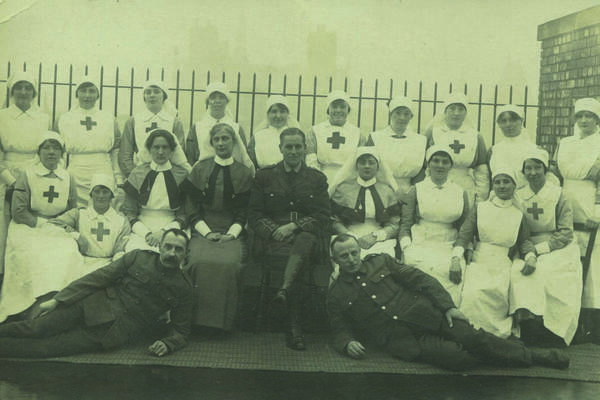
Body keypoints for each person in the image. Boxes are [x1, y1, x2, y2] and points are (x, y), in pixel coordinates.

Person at [327, 234, 569, 371]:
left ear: (359, 251)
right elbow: (337, 328)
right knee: (458, 359)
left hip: (429, 314)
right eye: (343, 256)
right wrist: (347, 343)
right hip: (403, 339)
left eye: (353, 253)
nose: (350, 259)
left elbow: (423, 280)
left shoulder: (381, 261)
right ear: (334, 259)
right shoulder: (336, 294)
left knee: (474, 338)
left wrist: (448, 307)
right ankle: (512, 354)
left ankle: (537, 356)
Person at [0, 229, 193, 359]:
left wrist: (168, 344)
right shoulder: (138, 257)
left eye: (178, 249)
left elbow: (182, 331)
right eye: (168, 246)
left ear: (186, 254)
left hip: (112, 332)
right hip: (92, 306)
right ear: (160, 247)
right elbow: (98, 277)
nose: (171, 253)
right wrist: (59, 299)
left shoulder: (184, 288)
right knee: (36, 328)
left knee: (46, 349)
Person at [248, 127, 330, 350]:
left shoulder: (317, 178)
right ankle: (294, 326)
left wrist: (294, 227)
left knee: (304, 242)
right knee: (300, 254)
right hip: (272, 238)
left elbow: (323, 216)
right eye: (289, 147)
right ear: (280, 149)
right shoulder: (264, 176)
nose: (293, 151)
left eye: (298, 147)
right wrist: (275, 230)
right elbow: (254, 214)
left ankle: (286, 297)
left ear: (305, 149)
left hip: (305, 235)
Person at [0, 132, 81, 323]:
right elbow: (18, 211)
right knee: (30, 254)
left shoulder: (68, 177)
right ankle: (27, 308)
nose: (51, 152)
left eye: (56, 148)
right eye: (46, 147)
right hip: (27, 226)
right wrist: (41, 224)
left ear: (62, 153)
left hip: (57, 227)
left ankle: (58, 305)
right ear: (39, 151)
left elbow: (73, 210)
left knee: (69, 252)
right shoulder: (27, 174)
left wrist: (59, 225)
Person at [181, 123, 254, 332]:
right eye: (217, 139)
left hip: (232, 233)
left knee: (230, 265)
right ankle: (195, 323)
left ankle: (222, 325)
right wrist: (206, 232)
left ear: (234, 142)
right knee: (196, 261)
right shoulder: (200, 169)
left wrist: (231, 235)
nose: (221, 143)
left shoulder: (244, 173)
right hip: (202, 230)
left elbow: (244, 210)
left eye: (226, 139)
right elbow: (191, 206)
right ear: (211, 143)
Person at [510, 148, 582, 347]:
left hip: (558, 246)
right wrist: (529, 251)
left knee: (549, 273)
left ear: (545, 168)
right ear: (523, 171)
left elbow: (566, 232)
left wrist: (540, 250)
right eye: (528, 168)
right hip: (527, 244)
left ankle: (553, 331)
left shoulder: (559, 194)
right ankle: (528, 326)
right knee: (519, 272)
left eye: (537, 167)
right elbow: (518, 228)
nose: (532, 172)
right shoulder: (518, 195)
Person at [452, 167, 535, 339]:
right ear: (492, 185)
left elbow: (524, 241)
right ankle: (469, 336)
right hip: (479, 261)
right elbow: (464, 235)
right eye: (497, 182)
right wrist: (456, 257)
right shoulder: (480, 208)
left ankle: (495, 338)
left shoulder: (518, 214)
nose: (502, 186)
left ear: (514, 186)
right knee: (472, 295)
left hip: (503, 264)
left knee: (498, 296)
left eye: (506, 182)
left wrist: (531, 257)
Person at [553, 97, 600, 343]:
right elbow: (564, 170)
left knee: (595, 268)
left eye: (589, 116)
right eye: (580, 116)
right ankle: (574, 322)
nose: (584, 120)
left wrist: (597, 213)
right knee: (572, 262)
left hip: (592, 208)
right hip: (570, 204)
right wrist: (588, 169)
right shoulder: (566, 142)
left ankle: (594, 325)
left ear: (596, 119)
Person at [398, 145, 469, 304]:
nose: (440, 165)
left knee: (451, 281)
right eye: (435, 160)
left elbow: (464, 230)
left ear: (451, 165)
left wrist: (457, 257)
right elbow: (405, 225)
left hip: (448, 247)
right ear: (428, 164)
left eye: (445, 161)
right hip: (419, 244)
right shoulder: (416, 189)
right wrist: (407, 249)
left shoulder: (460, 192)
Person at [0, 71, 51, 277]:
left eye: (28, 88)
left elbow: (48, 149)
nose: (23, 92)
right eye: (18, 87)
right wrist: (10, 180)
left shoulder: (44, 118)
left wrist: (33, 177)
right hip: (5, 175)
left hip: (34, 175)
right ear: (11, 91)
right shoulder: (1, 116)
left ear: (34, 92)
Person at [56, 73, 122, 206]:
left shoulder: (109, 118)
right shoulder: (65, 119)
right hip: (76, 171)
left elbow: (116, 150)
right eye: (83, 91)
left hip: (103, 169)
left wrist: (118, 177)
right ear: (76, 94)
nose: (87, 95)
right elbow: (59, 151)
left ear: (98, 95)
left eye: (92, 91)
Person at [48, 173, 131, 277]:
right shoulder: (79, 214)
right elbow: (53, 223)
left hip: (108, 265)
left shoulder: (121, 220)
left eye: (105, 192)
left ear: (111, 195)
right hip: (80, 263)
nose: (101, 196)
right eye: (97, 192)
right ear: (91, 194)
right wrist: (75, 235)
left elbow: (120, 248)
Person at [122, 129, 188, 253]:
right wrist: (146, 234)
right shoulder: (138, 173)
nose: (160, 152)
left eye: (165, 147)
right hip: (141, 226)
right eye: (156, 147)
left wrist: (165, 232)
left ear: (172, 150)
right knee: (135, 251)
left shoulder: (182, 174)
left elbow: (184, 214)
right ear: (149, 149)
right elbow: (129, 211)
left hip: (173, 226)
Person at [329, 147, 401, 260]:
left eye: (371, 163)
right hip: (347, 237)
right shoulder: (343, 189)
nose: (367, 166)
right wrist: (350, 236)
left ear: (378, 167)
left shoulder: (387, 191)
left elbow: (394, 224)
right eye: (362, 162)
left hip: (379, 238)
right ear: (356, 166)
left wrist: (376, 236)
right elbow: (334, 221)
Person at [424, 92, 489, 207]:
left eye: (460, 109)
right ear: (445, 111)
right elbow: (423, 166)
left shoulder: (475, 136)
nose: (456, 113)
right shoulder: (433, 132)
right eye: (452, 109)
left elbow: (481, 170)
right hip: (436, 186)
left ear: (466, 113)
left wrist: (481, 198)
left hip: (465, 187)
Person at [118, 80, 189, 178]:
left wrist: (170, 176)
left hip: (169, 174)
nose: (152, 95)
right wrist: (134, 175)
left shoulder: (174, 122)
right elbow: (125, 154)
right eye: (148, 92)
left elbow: (179, 152)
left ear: (164, 96)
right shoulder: (133, 121)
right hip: (141, 174)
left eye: (156, 92)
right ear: (144, 97)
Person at [367, 96, 426, 203]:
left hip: (409, 191)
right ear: (390, 114)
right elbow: (367, 165)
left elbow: (423, 169)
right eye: (398, 113)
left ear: (411, 116)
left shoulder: (420, 141)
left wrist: (413, 191)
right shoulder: (376, 138)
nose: (402, 117)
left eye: (406, 114)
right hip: (381, 189)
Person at [488, 104, 557, 189]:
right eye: (503, 121)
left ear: (521, 121)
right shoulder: (494, 150)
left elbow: (547, 179)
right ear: (499, 124)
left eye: (513, 120)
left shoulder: (535, 150)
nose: (508, 124)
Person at [306, 90, 368, 181]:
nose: (338, 110)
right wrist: (318, 179)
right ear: (328, 109)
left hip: (348, 180)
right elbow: (310, 160)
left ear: (348, 109)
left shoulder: (358, 134)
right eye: (334, 107)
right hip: (321, 178)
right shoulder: (315, 131)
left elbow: (360, 162)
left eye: (342, 107)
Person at [186, 82, 248, 166]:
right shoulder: (197, 128)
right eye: (213, 98)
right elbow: (191, 156)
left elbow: (242, 155)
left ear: (227, 101)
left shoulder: (236, 128)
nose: (217, 101)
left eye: (221, 97)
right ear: (208, 101)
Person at [247, 95, 301, 169]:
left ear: (288, 114)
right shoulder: (257, 137)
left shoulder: (295, 136)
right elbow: (251, 165)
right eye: (274, 112)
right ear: (268, 114)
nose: (278, 116)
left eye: (282, 112)